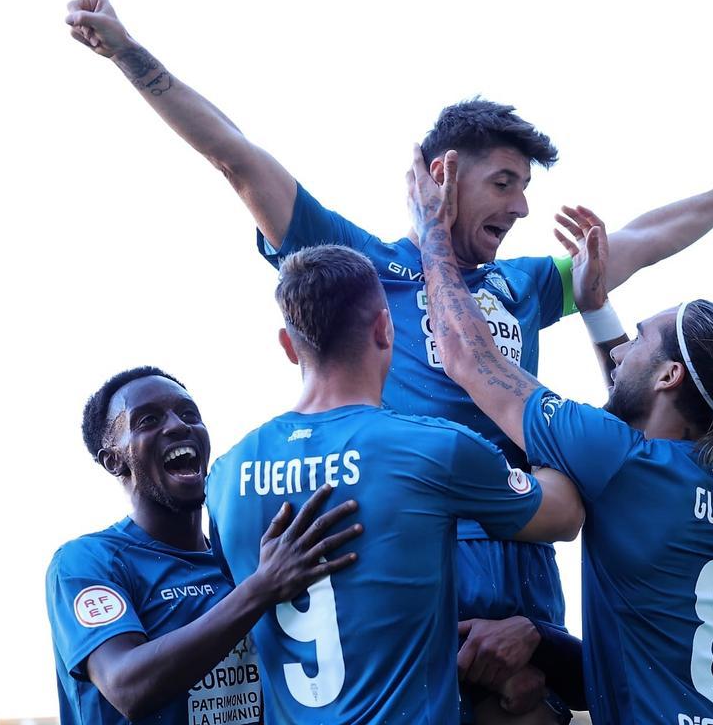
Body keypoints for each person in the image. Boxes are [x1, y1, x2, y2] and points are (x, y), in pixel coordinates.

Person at [61, 0, 713, 719]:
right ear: (444, 173)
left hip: (524, 567)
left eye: (526, 189)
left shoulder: (523, 284)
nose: (521, 208)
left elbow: (646, 236)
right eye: (505, 184)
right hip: (421, 575)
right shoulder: (363, 269)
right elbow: (237, 158)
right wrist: (127, 51)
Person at [407, 149, 713, 725]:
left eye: (637, 339)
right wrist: (595, 308)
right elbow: (646, 412)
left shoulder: (621, 461)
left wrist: (432, 233)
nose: (623, 350)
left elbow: (466, 355)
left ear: (668, 376)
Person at [205, 244, 585, 724]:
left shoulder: (225, 476)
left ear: (287, 344)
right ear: (386, 328)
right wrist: (525, 415)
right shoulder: (433, 449)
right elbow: (565, 514)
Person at [46, 366, 362, 725]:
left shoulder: (242, 560)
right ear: (113, 460)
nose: (178, 426)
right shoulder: (88, 562)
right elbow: (127, 686)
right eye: (148, 420)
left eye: (188, 414)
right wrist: (260, 589)